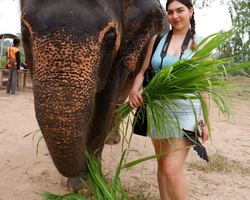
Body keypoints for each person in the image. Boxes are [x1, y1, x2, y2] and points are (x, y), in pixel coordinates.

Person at [129, 0, 212, 199]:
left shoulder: (200, 44)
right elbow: (142, 72)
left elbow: (205, 87)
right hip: (157, 109)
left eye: (180, 10)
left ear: (190, 11)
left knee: (172, 169)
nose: (175, 16)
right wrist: (134, 89)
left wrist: (206, 121)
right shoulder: (157, 40)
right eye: (170, 12)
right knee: (162, 163)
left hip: (185, 111)